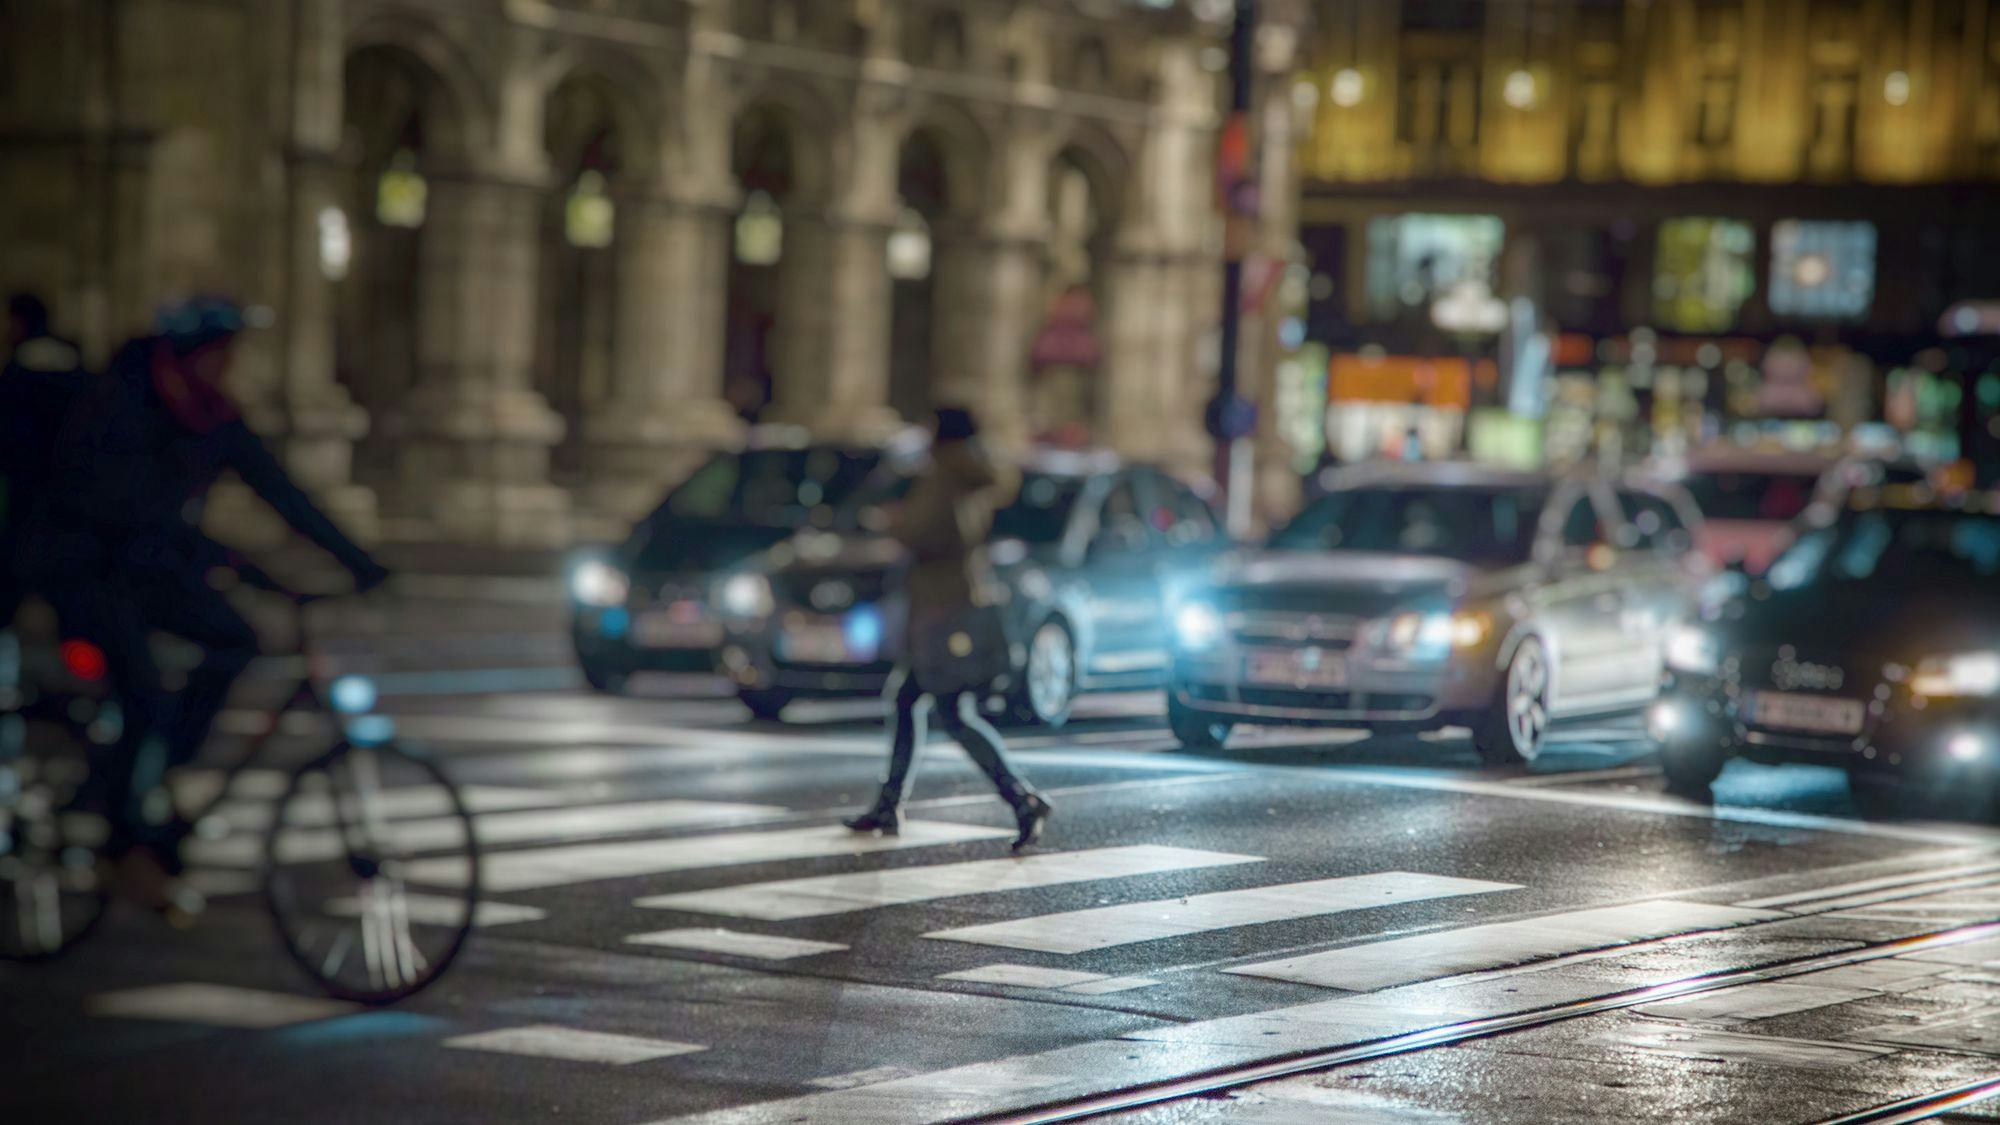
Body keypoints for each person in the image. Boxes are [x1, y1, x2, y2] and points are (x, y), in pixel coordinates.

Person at [21, 296, 388, 872]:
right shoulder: (124, 403)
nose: (227, 364)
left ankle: (165, 765)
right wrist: (238, 565)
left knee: (235, 638)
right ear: (186, 355)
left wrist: (361, 563)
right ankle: (120, 840)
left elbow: (282, 492)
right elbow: (131, 511)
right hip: (84, 569)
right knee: (143, 692)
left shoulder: (210, 413)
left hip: (147, 569)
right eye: (219, 352)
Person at [843, 406, 1052, 851]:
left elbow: (933, 532)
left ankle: (1022, 799)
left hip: (944, 609)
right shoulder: (966, 473)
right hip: (949, 604)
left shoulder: (947, 476)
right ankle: (888, 803)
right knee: (905, 700)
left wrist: (892, 522)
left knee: (954, 713)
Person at [2, 293, 88, 627]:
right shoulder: (73, 360)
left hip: (28, 480)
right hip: (70, 481)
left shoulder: (20, 368)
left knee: (19, 558)